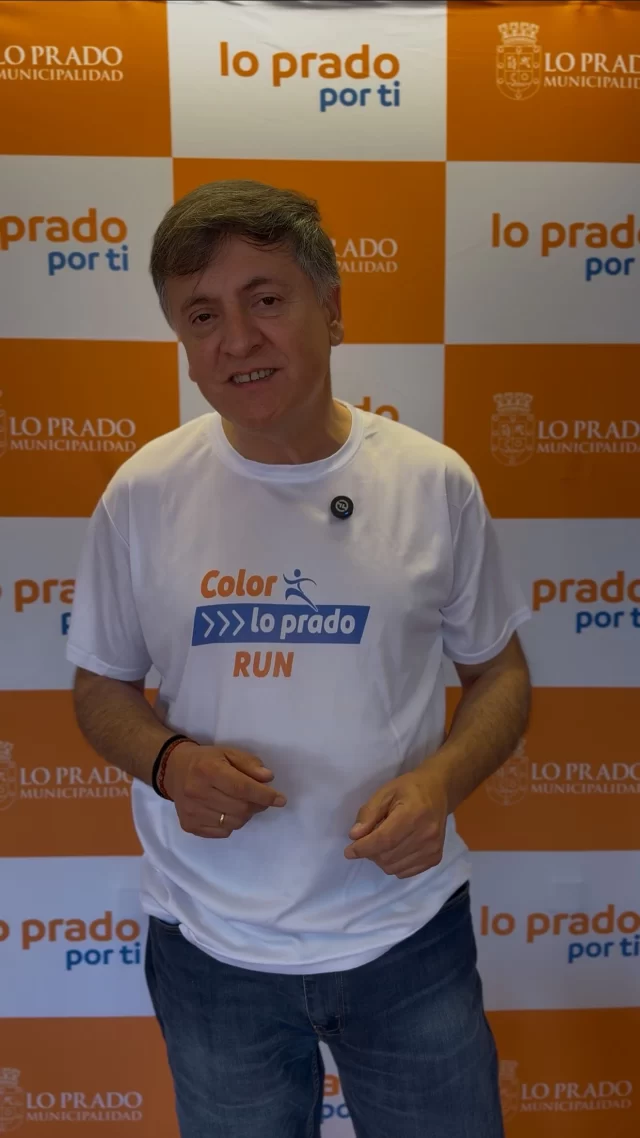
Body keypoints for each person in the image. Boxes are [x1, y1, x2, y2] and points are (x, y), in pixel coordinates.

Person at [68, 180, 531, 1138]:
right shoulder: (143, 493)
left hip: (405, 935)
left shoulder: (432, 482)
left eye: (266, 299)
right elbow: (100, 687)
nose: (237, 340)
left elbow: (501, 675)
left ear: (332, 308)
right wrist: (167, 762)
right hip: (211, 948)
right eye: (202, 316)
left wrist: (442, 782)